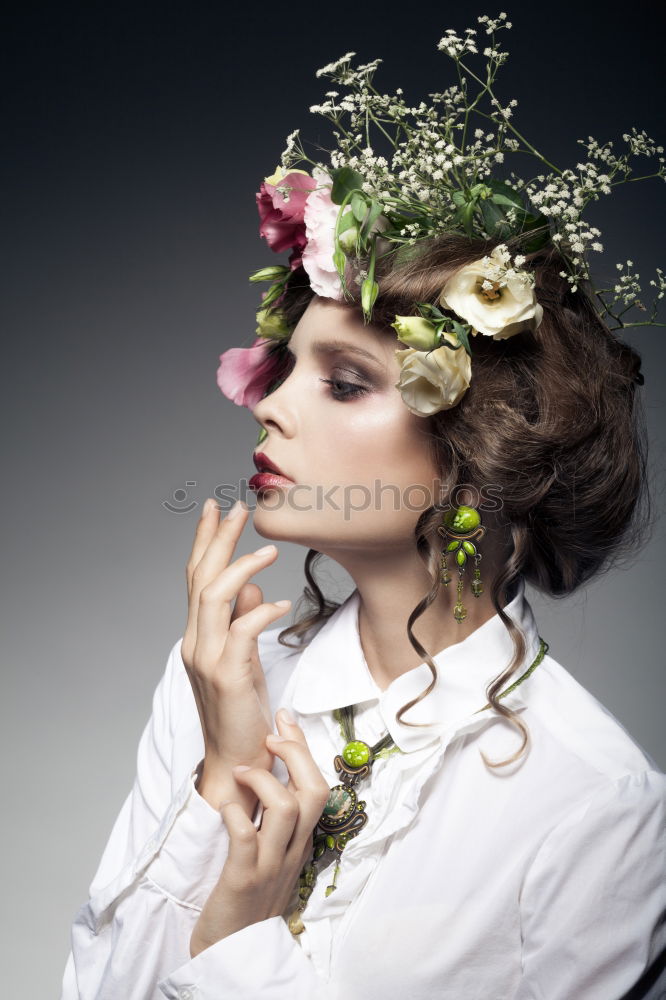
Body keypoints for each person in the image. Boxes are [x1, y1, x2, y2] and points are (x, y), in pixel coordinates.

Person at [61, 19, 666, 1000]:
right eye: (287, 365)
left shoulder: (598, 809)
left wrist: (238, 945)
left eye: (345, 382)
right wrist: (221, 777)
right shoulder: (225, 686)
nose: (266, 403)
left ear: (484, 441)